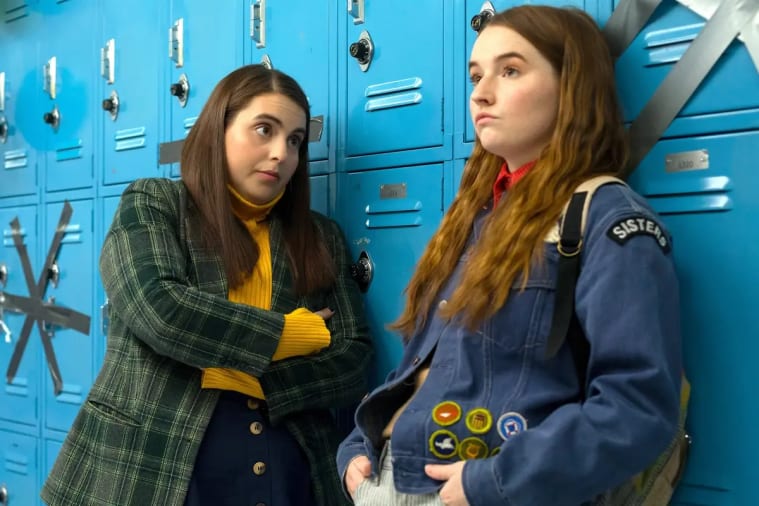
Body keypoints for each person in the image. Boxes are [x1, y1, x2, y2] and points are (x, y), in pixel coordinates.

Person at [337, 5, 682, 506]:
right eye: (476, 74)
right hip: (390, 482)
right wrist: (357, 445)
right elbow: (428, 366)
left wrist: (490, 483)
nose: (480, 92)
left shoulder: (604, 216)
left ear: (571, 87)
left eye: (511, 70)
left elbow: (638, 408)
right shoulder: (476, 215)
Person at [41, 64, 372, 506]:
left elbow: (354, 356)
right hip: (156, 462)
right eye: (263, 129)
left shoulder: (319, 235)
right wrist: (289, 335)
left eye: (294, 140)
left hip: (288, 462)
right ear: (218, 130)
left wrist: (261, 382)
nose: (280, 153)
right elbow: (159, 309)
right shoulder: (155, 203)